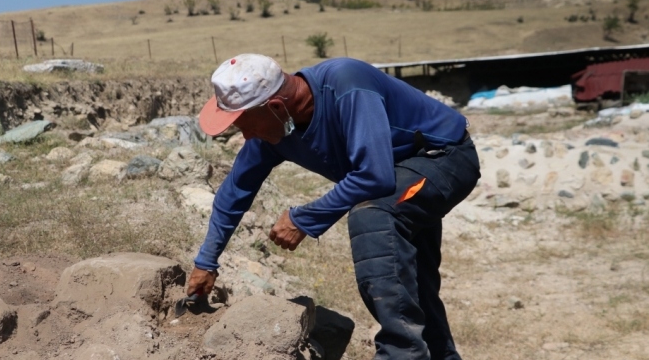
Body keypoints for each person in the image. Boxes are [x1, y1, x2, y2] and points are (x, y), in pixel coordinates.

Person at [187, 53, 480, 360]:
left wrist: (303, 218)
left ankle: (400, 354)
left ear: (274, 107)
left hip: (443, 158)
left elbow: (374, 176)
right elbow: (234, 191)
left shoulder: (347, 83)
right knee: (412, 282)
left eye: (245, 126)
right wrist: (206, 261)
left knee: (373, 214)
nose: (247, 136)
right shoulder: (275, 127)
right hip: (398, 178)